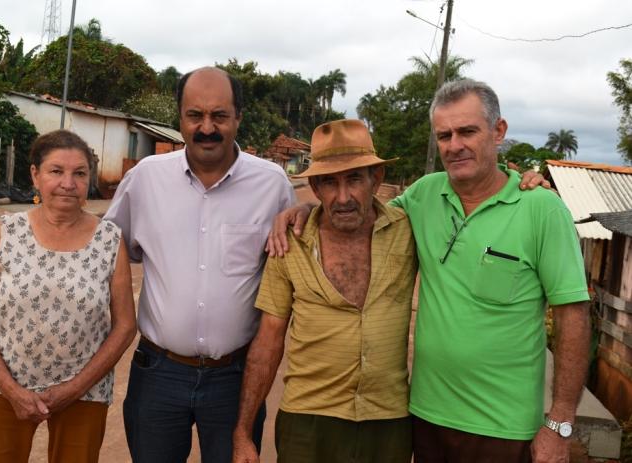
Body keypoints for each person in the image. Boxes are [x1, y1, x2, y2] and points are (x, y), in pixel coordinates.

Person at [270, 80, 589, 462]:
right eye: (444, 135)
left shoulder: (541, 210)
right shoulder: (424, 196)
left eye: (467, 131)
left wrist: (560, 423)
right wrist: (305, 209)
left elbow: (573, 316)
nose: (455, 145)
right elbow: (359, 211)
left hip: (503, 430)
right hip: (426, 420)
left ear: (498, 131)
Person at [104, 67, 296, 463]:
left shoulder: (273, 184)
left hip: (235, 379)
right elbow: (105, 251)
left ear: (238, 117)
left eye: (219, 116)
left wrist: (307, 210)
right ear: (180, 118)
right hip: (158, 372)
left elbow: (294, 254)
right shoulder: (144, 180)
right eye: (195, 115)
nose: (207, 127)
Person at [232, 119, 416, 463]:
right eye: (330, 182)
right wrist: (243, 432)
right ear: (315, 187)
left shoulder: (407, 231)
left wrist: (532, 182)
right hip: (307, 421)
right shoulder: (289, 243)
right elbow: (268, 340)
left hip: (388, 419)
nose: (343, 197)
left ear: (375, 181)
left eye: (355, 179)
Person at [0, 129, 136, 463]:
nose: (68, 183)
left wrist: (74, 389)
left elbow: (125, 325)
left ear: (89, 180)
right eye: (56, 171)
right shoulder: (6, 232)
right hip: (3, 388)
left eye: (79, 173)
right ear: (35, 176)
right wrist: (12, 390)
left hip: (84, 392)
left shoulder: (110, 240)